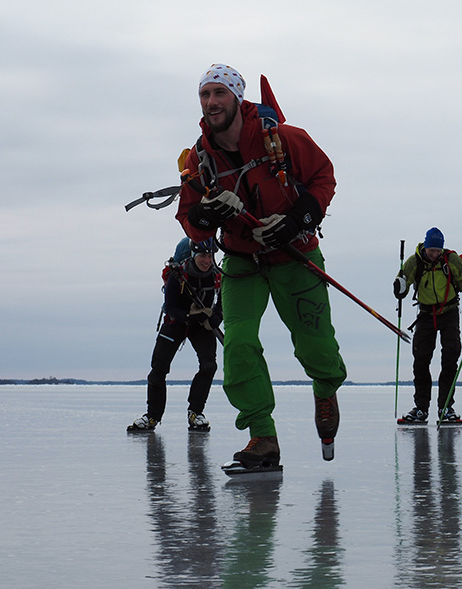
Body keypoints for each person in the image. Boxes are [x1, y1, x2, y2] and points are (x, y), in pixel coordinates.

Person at [174, 64, 347, 467]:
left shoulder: (285, 139)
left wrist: (296, 220)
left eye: (219, 93)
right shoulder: (201, 158)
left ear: (237, 96)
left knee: (315, 342)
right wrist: (206, 214)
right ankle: (262, 437)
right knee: (238, 343)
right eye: (205, 95)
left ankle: (325, 388)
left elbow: (324, 177)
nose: (211, 102)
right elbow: (188, 214)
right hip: (241, 262)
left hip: (295, 256)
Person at [128, 238, 223, 432]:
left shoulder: (216, 276)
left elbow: (223, 301)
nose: (207, 261)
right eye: (202, 256)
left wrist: (217, 317)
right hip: (176, 323)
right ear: (194, 256)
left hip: (201, 325)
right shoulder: (178, 275)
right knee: (158, 370)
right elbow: (170, 306)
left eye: (210, 256)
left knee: (209, 366)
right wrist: (186, 317)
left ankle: (196, 412)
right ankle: (152, 416)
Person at [394, 227, 462, 424]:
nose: (435, 254)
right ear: (425, 247)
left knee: (450, 357)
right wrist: (399, 287)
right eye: (432, 250)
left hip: (449, 312)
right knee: (421, 359)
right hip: (425, 314)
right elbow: (402, 287)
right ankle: (421, 408)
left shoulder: (451, 259)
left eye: (438, 251)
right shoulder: (414, 262)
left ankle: (446, 407)